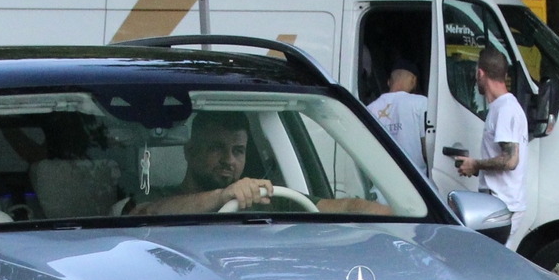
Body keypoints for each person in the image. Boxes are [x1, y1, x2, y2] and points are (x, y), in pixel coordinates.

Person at [130, 110, 388, 216]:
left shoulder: (267, 198)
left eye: (238, 150)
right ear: (190, 151)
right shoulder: (162, 200)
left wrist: (410, 218)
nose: (229, 160)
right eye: (217, 148)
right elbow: (141, 215)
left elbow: (347, 207)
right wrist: (222, 197)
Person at [451, 48, 526, 215]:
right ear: (504, 75)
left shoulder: (505, 109)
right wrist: (477, 167)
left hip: (502, 204)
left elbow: (510, 160)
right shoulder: (501, 107)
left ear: (480, 73)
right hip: (500, 202)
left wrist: (475, 164)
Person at [366, 66, 430, 175]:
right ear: (413, 80)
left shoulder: (370, 108)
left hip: (380, 183)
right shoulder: (421, 103)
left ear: (389, 82)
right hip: (413, 182)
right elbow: (426, 148)